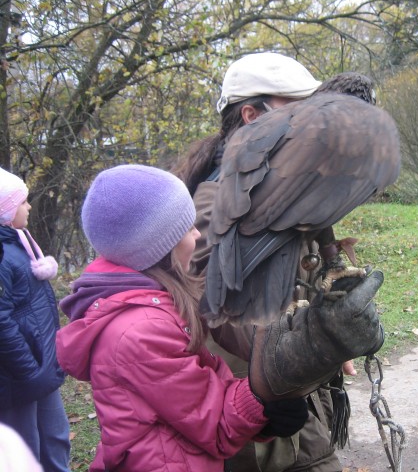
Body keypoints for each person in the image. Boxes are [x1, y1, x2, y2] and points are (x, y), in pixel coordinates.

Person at [55, 165, 309, 472]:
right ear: (161, 247)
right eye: (188, 228)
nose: (198, 234)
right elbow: (214, 423)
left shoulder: (148, 307)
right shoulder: (141, 330)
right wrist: (264, 399)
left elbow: (199, 398)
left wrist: (265, 415)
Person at [173, 52, 346, 472]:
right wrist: (326, 338)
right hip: (258, 427)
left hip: (295, 397)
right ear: (252, 117)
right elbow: (226, 319)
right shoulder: (213, 210)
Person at [0, 167, 70, 472]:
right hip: (17, 377)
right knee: (25, 449)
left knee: (56, 438)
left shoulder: (20, 242)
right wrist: (28, 369)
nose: (29, 207)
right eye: (23, 202)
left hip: (40, 367)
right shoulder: (3, 255)